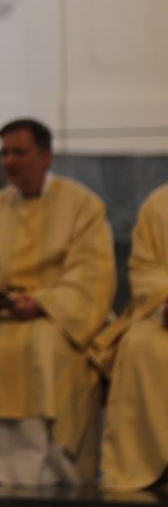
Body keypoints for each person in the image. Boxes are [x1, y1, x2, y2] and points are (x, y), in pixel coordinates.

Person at [0, 118, 115, 486]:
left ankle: (43, 468)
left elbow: (92, 273)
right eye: (4, 154)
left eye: (19, 152)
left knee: (41, 346)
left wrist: (43, 304)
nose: (9, 161)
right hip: (0, 312)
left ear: (45, 156)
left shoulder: (82, 205)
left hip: (57, 314)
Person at [96, 184, 168, 490]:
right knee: (139, 344)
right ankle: (148, 467)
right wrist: (164, 299)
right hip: (163, 312)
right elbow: (143, 265)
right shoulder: (158, 203)